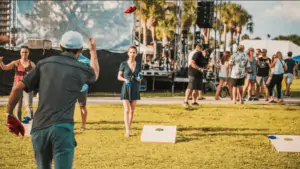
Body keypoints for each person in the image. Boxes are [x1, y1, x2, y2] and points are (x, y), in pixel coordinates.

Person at [5, 31, 99, 169]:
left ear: (60, 46)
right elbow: (95, 74)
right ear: (81, 49)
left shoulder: (43, 64)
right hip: (62, 128)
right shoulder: (81, 68)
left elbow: (16, 88)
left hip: (39, 128)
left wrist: (9, 115)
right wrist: (93, 52)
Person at [0, 46, 35, 123]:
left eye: (26, 52)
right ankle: (18, 121)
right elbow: (5, 68)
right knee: (18, 106)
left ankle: (30, 118)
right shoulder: (16, 62)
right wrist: (0, 62)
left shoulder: (31, 64)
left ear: (28, 53)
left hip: (28, 87)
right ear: (20, 53)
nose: (24, 54)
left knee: (28, 105)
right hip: (17, 87)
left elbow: (37, 75)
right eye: (22, 52)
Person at [118, 46, 142, 137]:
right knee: (127, 110)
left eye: (134, 52)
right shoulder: (123, 64)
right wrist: (124, 80)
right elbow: (119, 76)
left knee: (132, 110)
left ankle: (129, 128)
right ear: (128, 53)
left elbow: (139, 75)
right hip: (126, 88)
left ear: (136, 54)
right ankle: (127, 130)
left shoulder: (138, 65)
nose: (132, 54)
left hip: (135, 87)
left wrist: (139, 78)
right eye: (130, 52)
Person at [77, 54, 91, 130]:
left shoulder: (86, 61)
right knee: (68, 107)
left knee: (82, 106)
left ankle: (83, 125)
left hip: (82, 88)